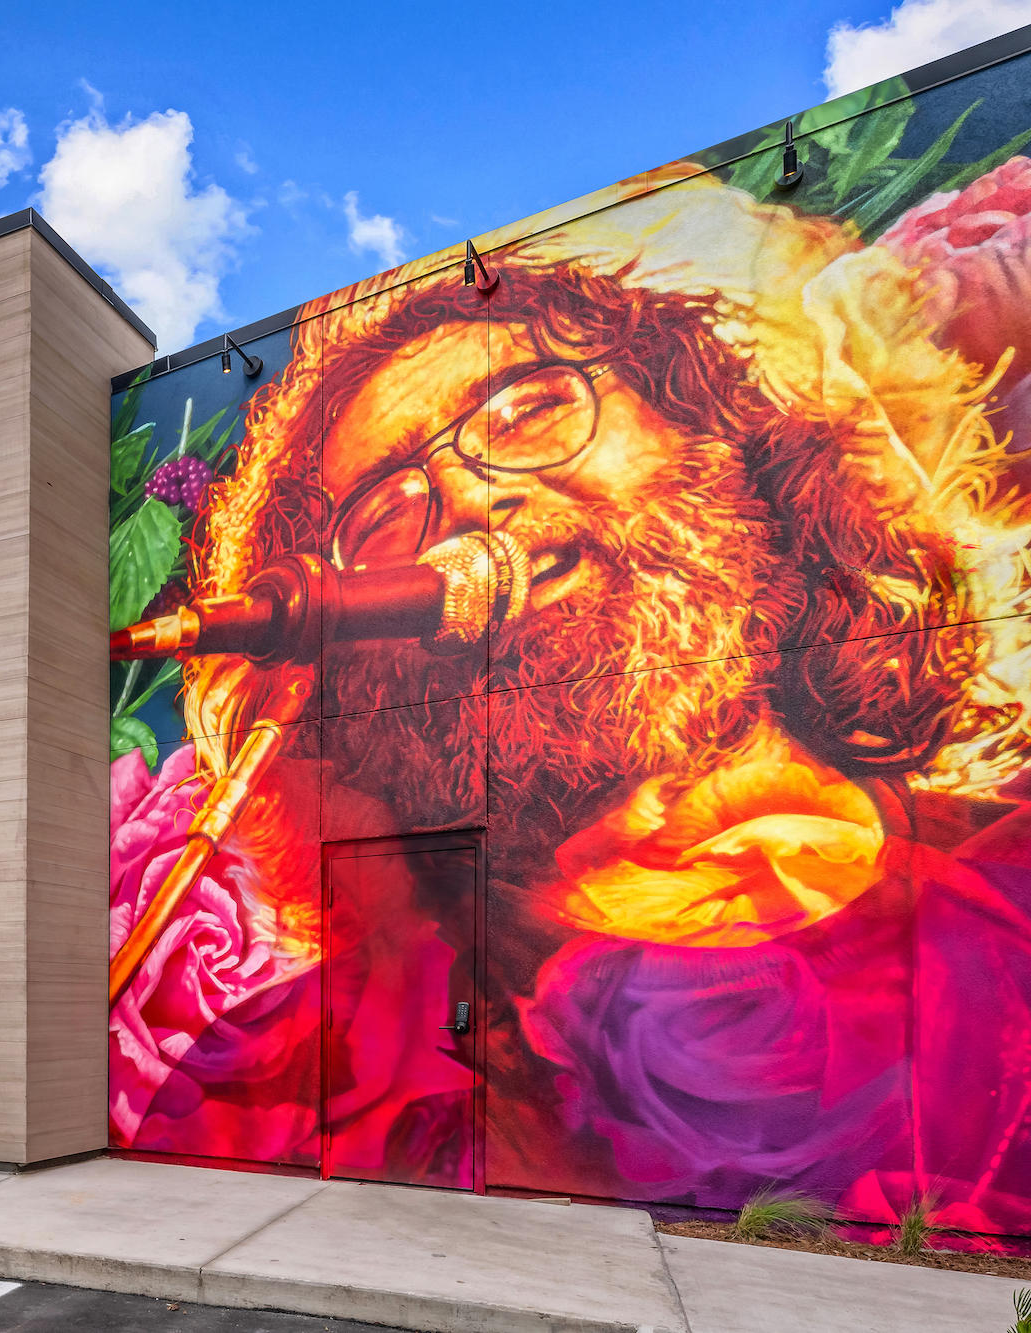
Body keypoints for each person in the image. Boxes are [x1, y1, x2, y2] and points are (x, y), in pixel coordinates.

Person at [111, 168, 1031, 1233]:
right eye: (386, 515)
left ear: (705, 414)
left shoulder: (1003, 874)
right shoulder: (309, 1070)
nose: (470, 510)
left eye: (529, 408)